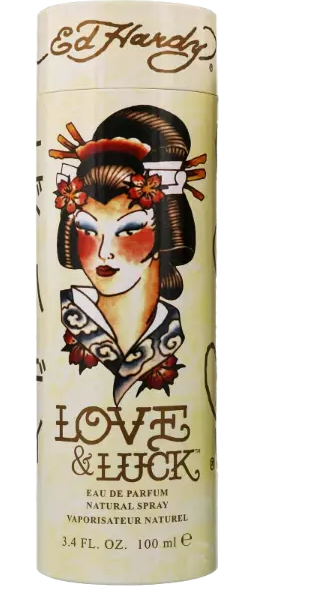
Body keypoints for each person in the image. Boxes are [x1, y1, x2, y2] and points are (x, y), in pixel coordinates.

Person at [49, 105, 207, 405]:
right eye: (87, 229)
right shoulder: (58, 317)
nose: (104, 252)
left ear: (164, 233)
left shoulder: (180, 328)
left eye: (129, 229)